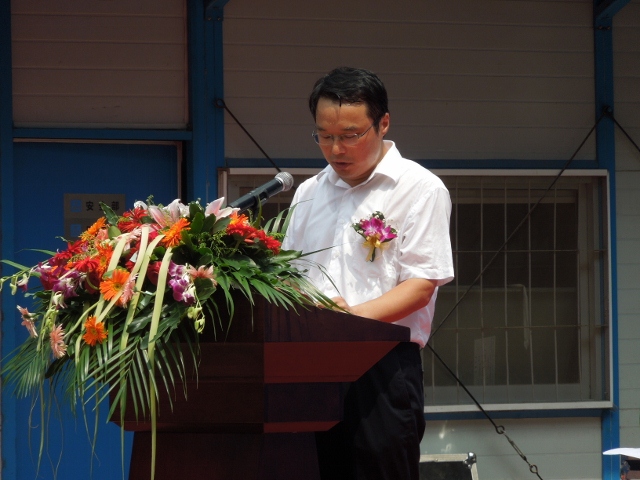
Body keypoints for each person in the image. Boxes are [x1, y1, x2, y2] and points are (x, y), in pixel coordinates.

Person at [282, 66, 454, 480]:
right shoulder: (309, 192)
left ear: (383, 124)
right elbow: (287, 275)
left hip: (381, 367)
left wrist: (348, 321)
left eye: (350, 135)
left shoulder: (419, 188)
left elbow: (421, 285)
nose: (336, 149)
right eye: (324, 136)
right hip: (309, 365)